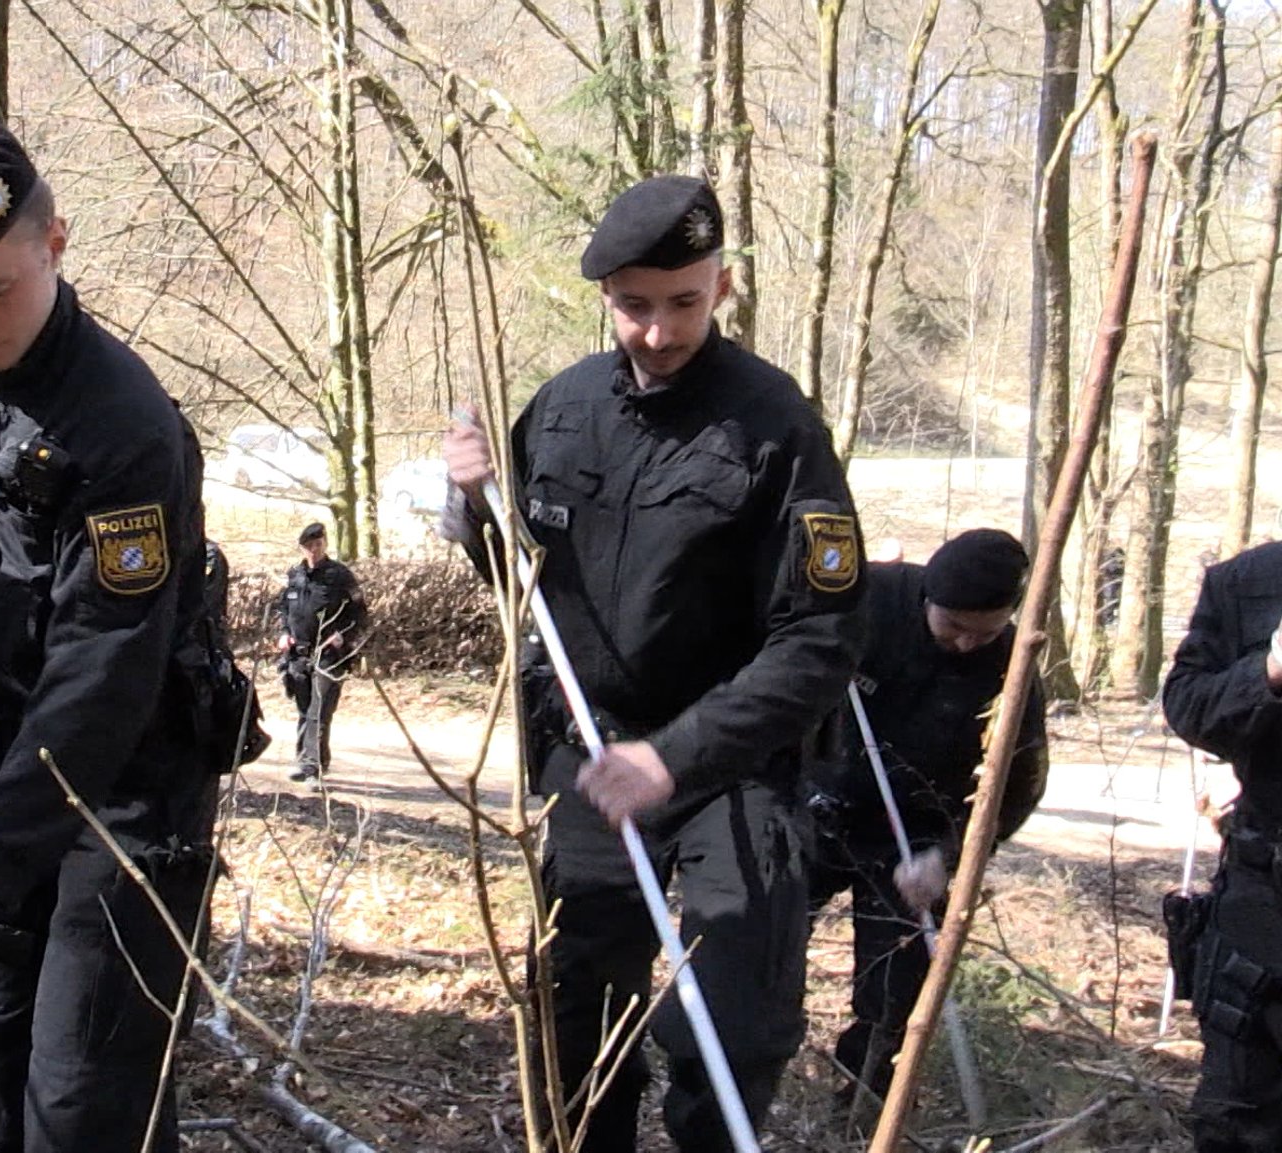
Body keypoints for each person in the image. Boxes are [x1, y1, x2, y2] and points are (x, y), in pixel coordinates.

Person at [441, 174, 867, 1151]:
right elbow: (525, 586)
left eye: (682, 301)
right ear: (605, 295)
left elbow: (821, 636)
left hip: (731, 764)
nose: (658, 330)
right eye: (634, 305)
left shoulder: (776, 425)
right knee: (579, 1015)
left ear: (718, 284)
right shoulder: (558, 408)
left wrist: (676, 756)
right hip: (591, 754)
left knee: (733, 1019)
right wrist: (472, 506)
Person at [0, 122, 217, 1153]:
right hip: (0, 756)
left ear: (52, 241)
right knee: (5, 1063)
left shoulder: (124, 421)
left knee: (84, 1102)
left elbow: (105, 673)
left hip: (123, 790)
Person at [803, 528, 1048, 1108]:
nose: (966, 643)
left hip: (914, 832)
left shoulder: (1011, 664)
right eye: (954, 627)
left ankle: (866, 1104)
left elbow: (1017, 785)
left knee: (895, 987)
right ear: (928, 601)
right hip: (817, 803)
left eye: (982, 632)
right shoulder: (870, 601)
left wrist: (949, 855)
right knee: (768, 943)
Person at [1162, 539, 1282, 1152]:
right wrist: (1267, 674)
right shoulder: (1248, 582)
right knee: (1236, 1122)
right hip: (1261, 905)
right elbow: (1186, 706)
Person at [273, 521, 366, 783]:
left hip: (329, 655)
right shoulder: (295, 576)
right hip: (299, 655)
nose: (314, 550)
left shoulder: (340, 576)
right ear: (302, 548)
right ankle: (309, 761)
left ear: (325, 544)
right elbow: (284, 609)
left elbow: (360, 614)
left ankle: (313, 767)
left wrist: (343, 635)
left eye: (318, 544)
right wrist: (283, 633)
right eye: (309, 546)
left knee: (320, 710)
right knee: (305, 710)